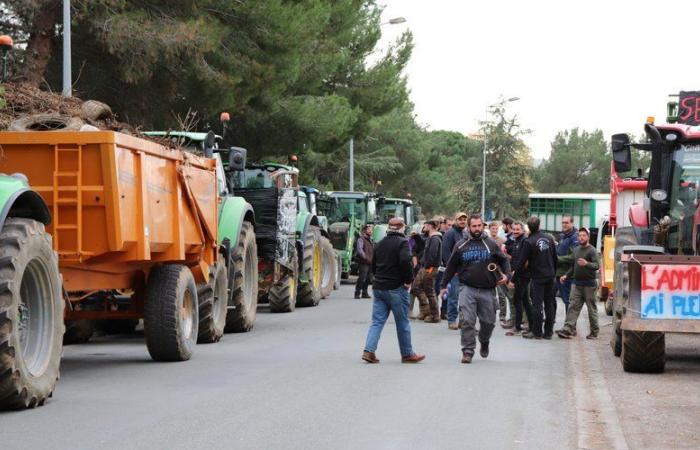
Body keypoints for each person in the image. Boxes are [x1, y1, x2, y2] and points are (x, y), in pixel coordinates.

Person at [440, 214, 510, 364]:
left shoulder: (490, 244)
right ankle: (467, 351)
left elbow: (503, 260)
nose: (477, 229)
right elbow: (451, 267)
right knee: (467, 321)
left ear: (482, 226)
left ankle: (484, 341)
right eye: (474, 226)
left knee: (488, 322)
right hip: (467, 288)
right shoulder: (460, 245)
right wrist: (443, 286)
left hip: (487, 289)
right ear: (469, 227)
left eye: (479, 226)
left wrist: (507, 275)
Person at [362, 217, 425, 364]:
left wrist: (377, 277)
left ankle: (368, 350)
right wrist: (408, 280)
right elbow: (405, 261)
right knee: (402, 322)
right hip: (396, 288)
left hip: (379, 287)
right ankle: (407, 354)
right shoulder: (402, 243)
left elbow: (374, 265)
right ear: (402, 228)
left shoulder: (379, 243)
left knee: (377, 322)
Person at [516, 216, 557, 340]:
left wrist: (513, 279)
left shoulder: (529, 241)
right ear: (539, 225)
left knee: (537, 305)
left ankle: (537, 332)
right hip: (550, 276)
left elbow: (521, 263)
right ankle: (549, 332)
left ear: (528, 227)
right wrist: (553, 272)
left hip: (538, 277)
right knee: (549, 304)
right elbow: (555, 258)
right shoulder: (549, 238)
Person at [556, 228, 600, 340]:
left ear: (588, 237)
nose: (581, 237)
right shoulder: (576, 250)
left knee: (591, 309)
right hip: (576, 284)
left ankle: (594, 333)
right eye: (580, 235)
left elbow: (597, 265)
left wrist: (587, 264)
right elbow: (573, 266)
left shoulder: (592, 250)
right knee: (572, 307)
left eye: (584, 235)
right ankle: (567, 330)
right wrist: (566, 275)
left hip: (589, 285)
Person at [413, 218, 443, 323]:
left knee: (430, 292)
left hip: (430, 268)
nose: (424, 227)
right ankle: (426, 310)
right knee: (416, 287)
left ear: (430, 226)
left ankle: (435, 316)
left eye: (425, 225)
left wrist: (427, 266)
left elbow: (432, 255)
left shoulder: (435, 238)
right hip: (426, 267)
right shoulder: (431, 237)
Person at [505, 221, 533, 335]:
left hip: (522, 276)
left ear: (523, 230)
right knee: (525, 301)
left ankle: (517, 327)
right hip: (518, 275)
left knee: (517, 301)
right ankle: (531, 326)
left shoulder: (524, 242)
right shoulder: (516, 241)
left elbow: (524, 262)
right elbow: (515, 259)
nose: (515, 231)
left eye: (518, 229)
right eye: (514, 229)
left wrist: (513, 278)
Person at [441, 212, 468, 330]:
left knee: (465, 297)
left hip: (466, 271)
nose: (462, 221)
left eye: (464, 219)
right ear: (455, 220)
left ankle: (462, 320)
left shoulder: (466, 233)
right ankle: (452, 320)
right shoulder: (449, 234)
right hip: (455, 272)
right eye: (460, 219)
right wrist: (452, 269)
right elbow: (445, 252)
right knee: (454, 296)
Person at [490, 221, 511, 326]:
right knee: (491, 294)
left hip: (499, 270)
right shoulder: (486, 240)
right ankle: (491, 314)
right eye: (493, 228)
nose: (494, 230)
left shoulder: (502, 240)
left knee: (502, 294)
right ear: (490, 229)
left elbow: (506, 256)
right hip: (489, 270)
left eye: (496, 229)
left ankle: (502, 315)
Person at [556, 215, 578, 312]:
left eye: (566, 222)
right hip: (558, 273)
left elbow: (574, 256)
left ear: (572, 223)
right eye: (563, 222)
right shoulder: (562, 236)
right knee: (563, 299)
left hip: (568, 274)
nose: (564, 224)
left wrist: (557, 259)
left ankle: (570, 326)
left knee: (568, 300)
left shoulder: (574, 238)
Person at [408, 227, 428, 320]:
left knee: (422, 290)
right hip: (418, 267)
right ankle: (410, 310)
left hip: (426, 267)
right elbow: (414, 251)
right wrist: (415, 262)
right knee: (414, 289)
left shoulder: (434, 237)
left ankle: (422, 312)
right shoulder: (421, 239)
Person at [354, 224, 374, 299]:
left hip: (370, 262)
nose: (371, 231)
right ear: (365, 230)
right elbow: (360, 250)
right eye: (369, 230)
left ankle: (364, 293)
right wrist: (365, 258)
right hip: (363, 262)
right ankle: (357, 293)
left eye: (371, 230)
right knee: (362, 278)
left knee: (368, 279)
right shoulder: (361, 239)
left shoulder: (371, 240)